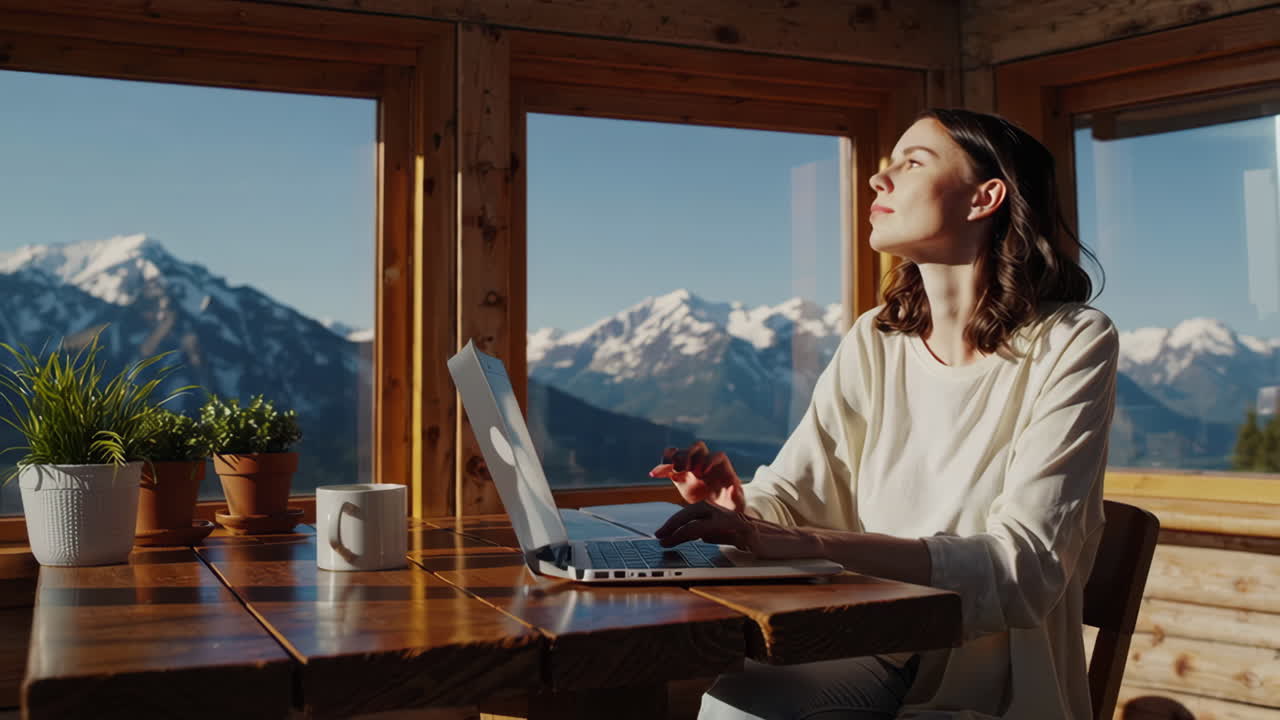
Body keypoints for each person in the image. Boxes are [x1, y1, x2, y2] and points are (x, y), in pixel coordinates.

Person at [650, 108, 1118, 720]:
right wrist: (743, 513)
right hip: (863, 641)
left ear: (986, 197)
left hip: (986, 682)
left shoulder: (1073, 341)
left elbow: (1023, 569)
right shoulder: (877, 337)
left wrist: (791, 539)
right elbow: (798, 491)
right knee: (738, 700)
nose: (879, 179)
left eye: (912, 162)